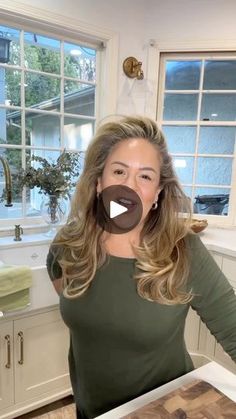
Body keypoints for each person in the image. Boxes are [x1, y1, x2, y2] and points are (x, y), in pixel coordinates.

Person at [46, 116, 236, 419]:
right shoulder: (69, 245)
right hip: (91, 411)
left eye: (145, 177)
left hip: (163, 410)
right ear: (98, 182)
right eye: (119, 171)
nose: (128, 187)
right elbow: (67, 288)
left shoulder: (183, 250)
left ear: (158, 192)